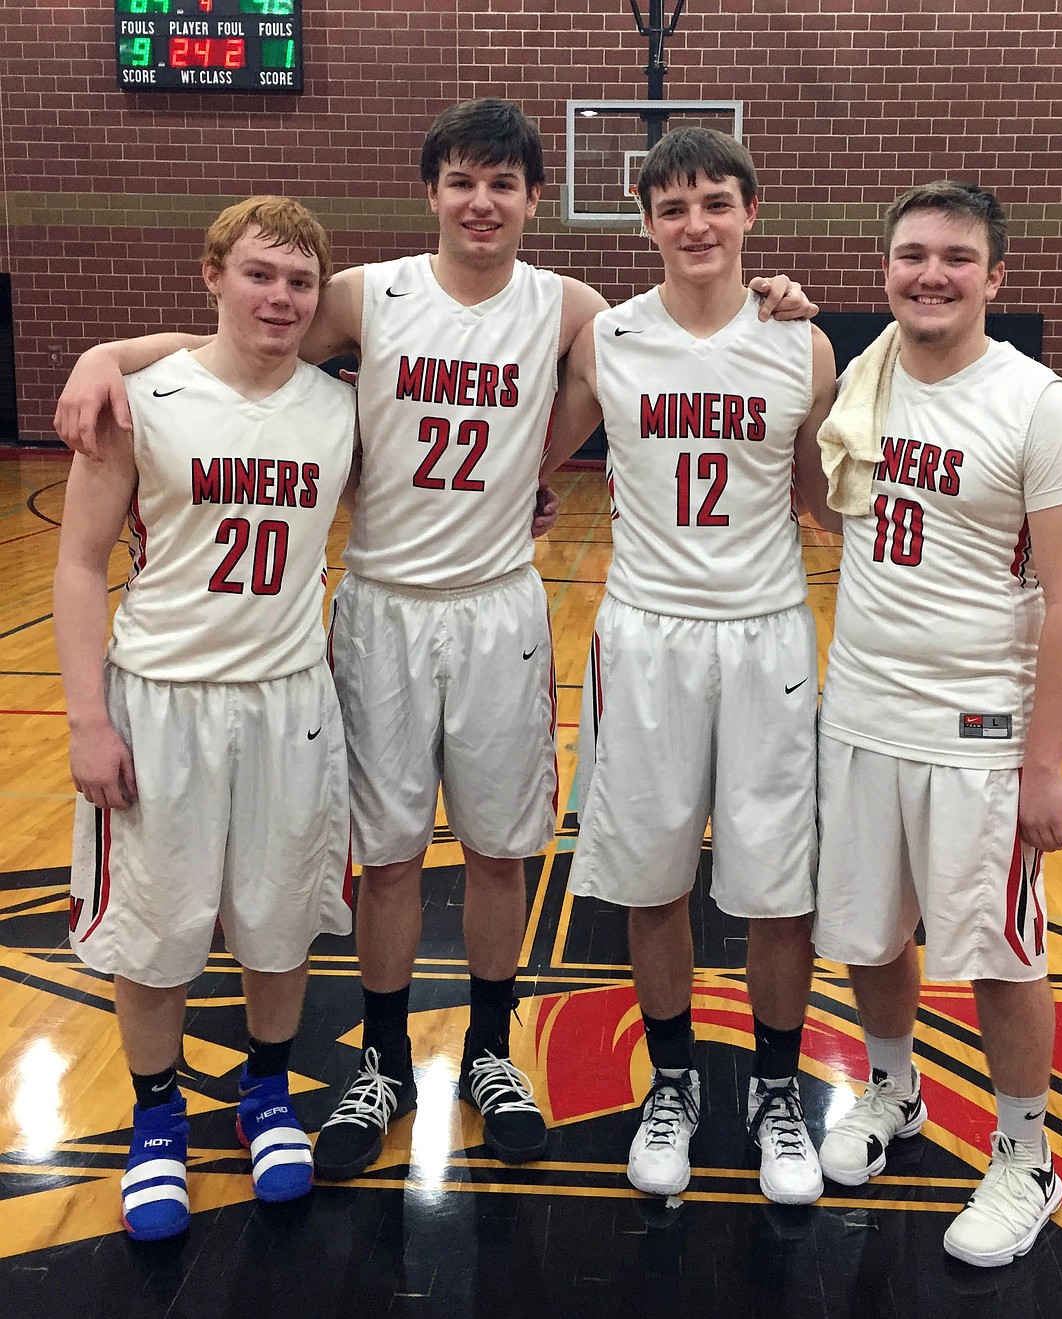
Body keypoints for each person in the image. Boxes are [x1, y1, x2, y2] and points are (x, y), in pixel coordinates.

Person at [53, 98, 815, 1178]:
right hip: (382, 607)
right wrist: (108, 351)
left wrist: (772, 298)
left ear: (535, 200)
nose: (482, 201)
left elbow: (679, 343)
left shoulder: (572, 309)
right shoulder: (370, 294)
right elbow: (240, 344)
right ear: (433, 193)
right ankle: (382, 1059)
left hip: (501, 604)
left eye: (504, 184)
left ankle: (495, 1051)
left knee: (503, 848)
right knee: (393, 854)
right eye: (462, 180)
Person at [541, 127, 838, 1204]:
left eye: (715, 201)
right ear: (646, 221)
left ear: (750, 211)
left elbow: (822, 493)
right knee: (653, 874)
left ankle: (773, 1089)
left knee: (776, 887)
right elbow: (530, 452)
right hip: (648, 634)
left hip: (766, 633)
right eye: (673, 208)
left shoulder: (800, 344)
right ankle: (672, 1082)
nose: (696, 223)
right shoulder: (608, 338)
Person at [812, 180, 1062, 1266]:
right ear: (885, 265)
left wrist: (1047, 762)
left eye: (955, 256)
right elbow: (824, 499)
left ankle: (1027, 1153)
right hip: (862, 709)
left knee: (1000, 955)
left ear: (996, 275)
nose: (930, 273)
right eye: (911, 254)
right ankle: (895, 1090)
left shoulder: (1039, 403)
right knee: (870, 926)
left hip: (980, 730)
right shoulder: (864, 374)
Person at [54, 196, 357, 1240]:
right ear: (213, 275)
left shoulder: (339, 404)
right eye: (261, 273)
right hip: (162, 700)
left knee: (280, 917)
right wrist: (87, 719)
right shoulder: (145, 398)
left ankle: (267, 1093)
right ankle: (155, 1118)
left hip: (290, 702)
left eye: (300, 280)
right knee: (155, 929)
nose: (281, 296)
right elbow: (80, 561)